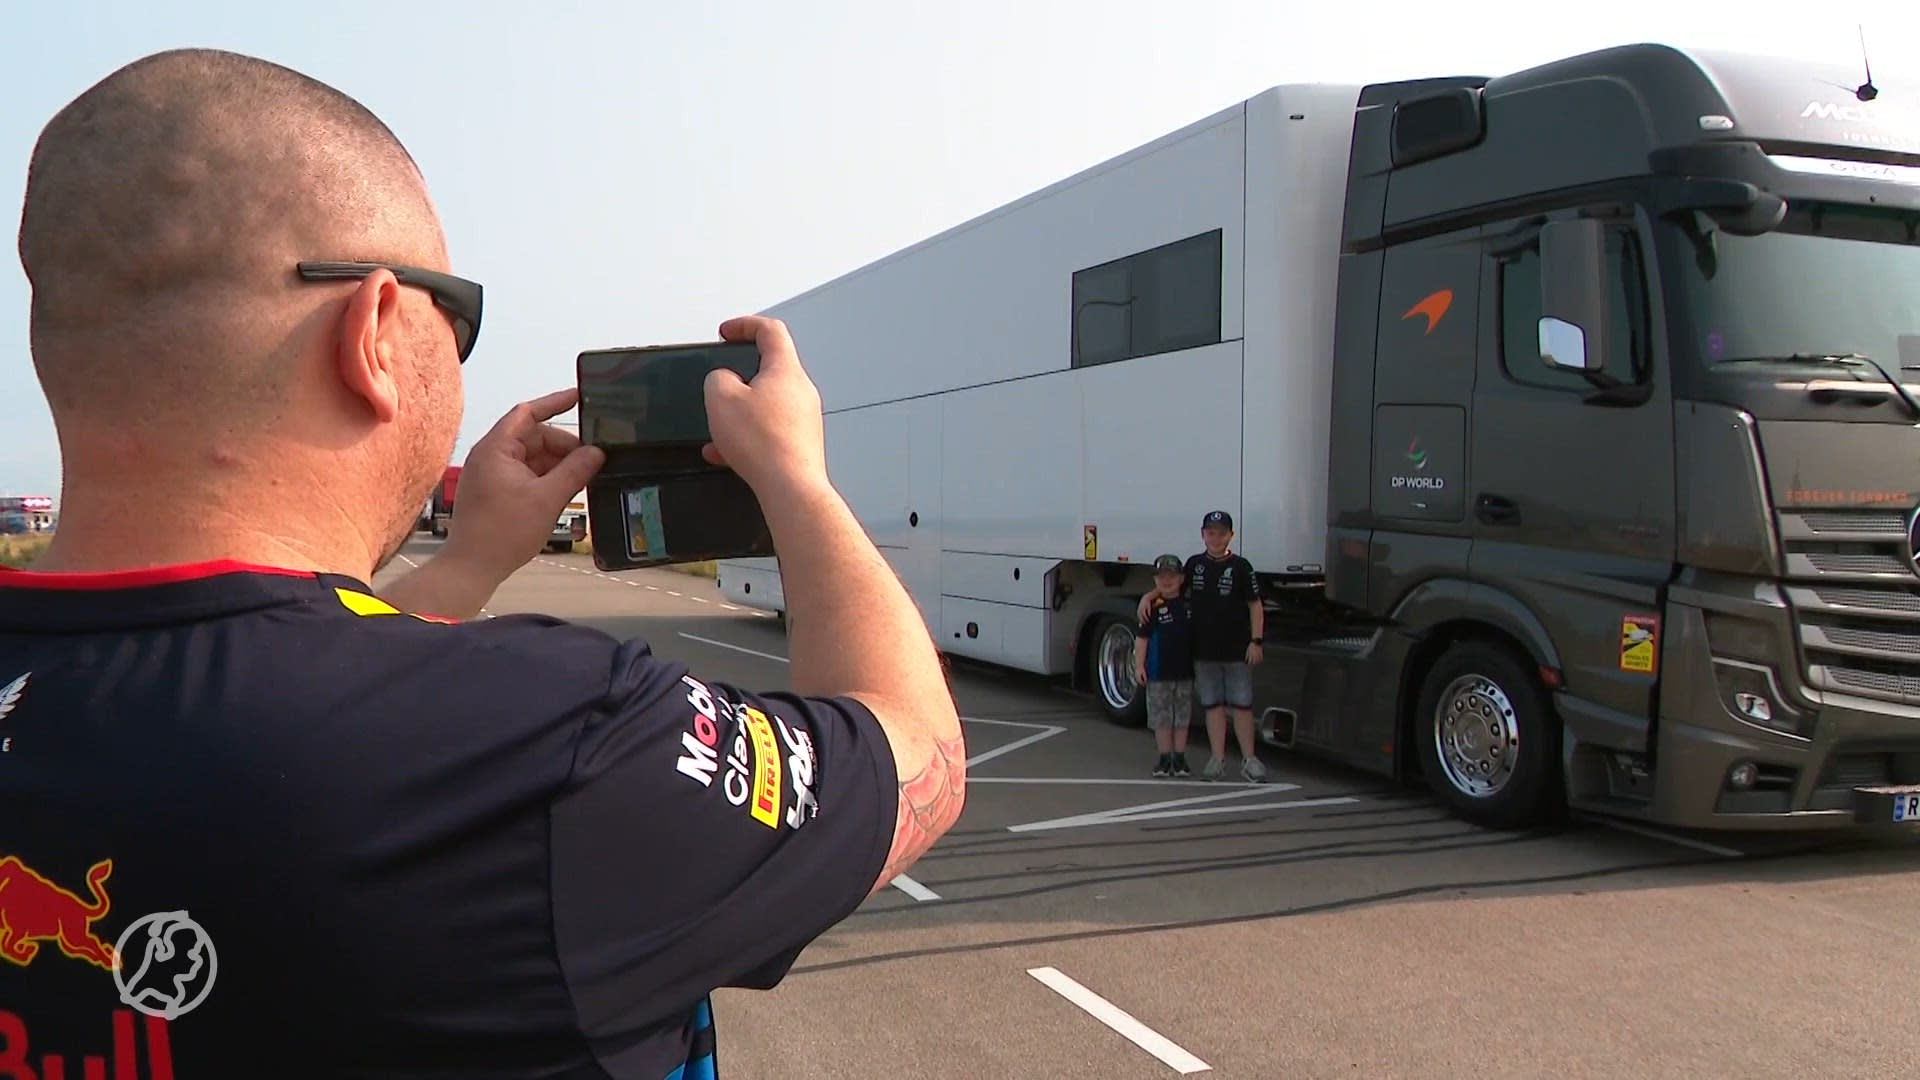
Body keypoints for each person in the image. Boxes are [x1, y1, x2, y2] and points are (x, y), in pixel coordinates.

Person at [0, 48, 964, 1079]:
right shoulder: (551, 735)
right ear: (373, 331)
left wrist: (464, 567)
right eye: (454, 316)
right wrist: (799, 484)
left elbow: (277, 684)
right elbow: (910, 752)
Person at [1139, 511, 1267, 782]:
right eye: (1211, 533)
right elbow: (1170, 588)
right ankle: (1217, 759)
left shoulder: (1242, 566)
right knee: (1213, 706)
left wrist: (1256, 641)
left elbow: (1255, 605)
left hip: (1236, 650)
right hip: (1203, 652)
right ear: (1202, 534)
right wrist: (1148, 596)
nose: (1216, 538)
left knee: (1242, 705)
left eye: (1222, 533)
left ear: (1231, 535)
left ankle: (1250, 759)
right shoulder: (1194, 565)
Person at [1133, 554, 1195, 778]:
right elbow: (1142, 639)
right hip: (1158, 673)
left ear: (1181, 579)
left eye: (1172, 576)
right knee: (1161, 718)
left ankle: (1179, 758)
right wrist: (1139, 665)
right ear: (1155, 580)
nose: (1166, 581)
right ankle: (1164, 757)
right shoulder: (1153, 607)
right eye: (1161, 577)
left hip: (1185, 673)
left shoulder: (1189, 606)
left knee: (1181, 718)